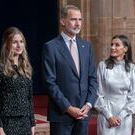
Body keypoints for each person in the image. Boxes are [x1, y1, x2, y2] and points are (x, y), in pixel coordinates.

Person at [42, 5, 98, 135]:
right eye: (73, 19)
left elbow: (93, 78)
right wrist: (68, 108)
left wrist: (89, 104)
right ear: (63, 21)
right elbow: (49, 82)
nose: (78, 23)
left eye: (80, 19)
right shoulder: (51, 47)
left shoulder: (87, 46)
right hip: (61, 115)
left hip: (83, 115)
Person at [0, 27, 35, 135]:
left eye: (21, 42)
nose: (19, 45)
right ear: (7, 44)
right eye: (15, 42)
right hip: (6, 124)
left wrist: (32, 123)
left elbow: (29, 98)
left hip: (25, 123)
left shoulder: (26, 67)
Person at [94, 35, 135, 135]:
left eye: (117, 45)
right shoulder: (103, 66)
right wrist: (109, 116)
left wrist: (119, 117)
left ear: (125, 49)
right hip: (106, 113)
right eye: (112, 44)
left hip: (124, 115)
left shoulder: (132, 69)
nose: (112, 47)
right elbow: (98, 94)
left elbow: (133, 97)